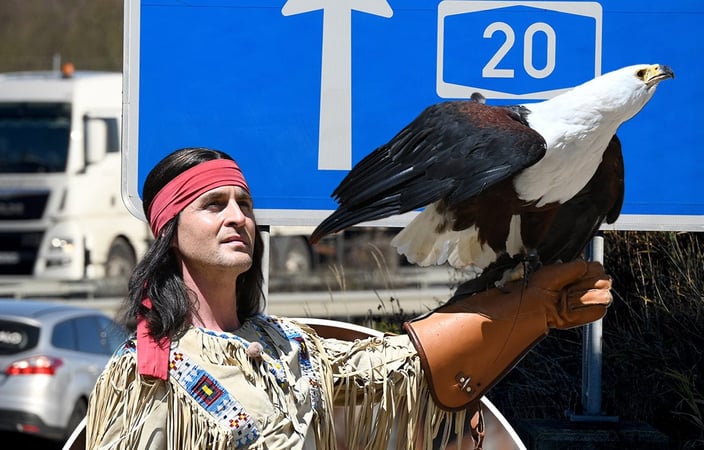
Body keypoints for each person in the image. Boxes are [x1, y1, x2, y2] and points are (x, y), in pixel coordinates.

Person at [85, 147, 613, 450]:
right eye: (213, 204)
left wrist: (530, 308)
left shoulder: (284, 344)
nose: (237, 218)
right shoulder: (147, 374)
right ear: (169, 231)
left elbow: (399, 368)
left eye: (244, 203)